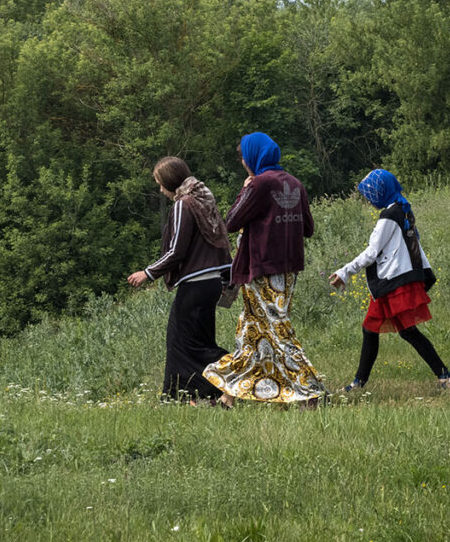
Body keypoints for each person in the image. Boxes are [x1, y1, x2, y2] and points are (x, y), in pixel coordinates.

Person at [202, 132, 326, 407]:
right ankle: (227, 398)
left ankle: (312, 390)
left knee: (277, 329)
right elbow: (308, 228)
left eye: (244, 157)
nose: (244, 162)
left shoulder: (259, 185)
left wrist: (245, 188)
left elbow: (231, 222)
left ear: (253, 157)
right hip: (288, 269)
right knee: (250, 333)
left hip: (261, 269)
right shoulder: (295, 183)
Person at [331, 168, 450, 394]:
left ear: (381, 192)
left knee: (405, 331)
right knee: (374, 330)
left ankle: (445, 376)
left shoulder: (389, 216)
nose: (369, 200)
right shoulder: (402, 208)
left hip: (394, 282)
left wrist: (345, 271)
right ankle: (359, 383)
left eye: (371, 194)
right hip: (395, 280)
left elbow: (372, 252)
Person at [128, 156, 228, 401]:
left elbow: (176, 250)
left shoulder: (185, 204)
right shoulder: (203, 199)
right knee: (198, 341)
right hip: (211, 282)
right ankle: (191, 395)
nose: (160, 189)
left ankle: (237, 374)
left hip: (196, 283)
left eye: (160, 183)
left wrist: (148, 273)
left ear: (170, 181)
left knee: (181, 342)